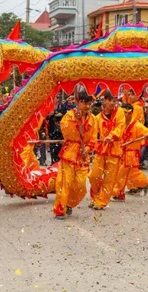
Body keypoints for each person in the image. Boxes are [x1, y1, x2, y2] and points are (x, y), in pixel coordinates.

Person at [53, 91, 97, 219]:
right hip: (69, 153)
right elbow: (66, 132)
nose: (87, 106)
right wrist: (76, 122)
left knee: (81, 186)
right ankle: (60, 209)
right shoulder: (69, 116)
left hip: (83, 156)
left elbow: (93, 138)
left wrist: (87, 149)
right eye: (84, 102)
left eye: (89, 103)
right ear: (78, 102)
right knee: (64, 182)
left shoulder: (93, 119)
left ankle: (69, 203)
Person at [88, 91, 125, 210]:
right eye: (111, 100)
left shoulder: (119, 112)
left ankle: (101, 202)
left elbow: (120, 126)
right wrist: (89, 146)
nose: (113, 103)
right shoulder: (98, 118)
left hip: (115, 149)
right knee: (94, 175)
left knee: (109, 178)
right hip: (101, 149)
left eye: (115, 100)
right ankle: (95, 197)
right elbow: (93, 133)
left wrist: (112, 135)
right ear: (104, 100)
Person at [113, 103, 148, 201]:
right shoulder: (121, 124)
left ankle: (119, 194)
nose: (122, 115)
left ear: (130, 113)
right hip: (122, 152)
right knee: (131, 173)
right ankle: (144, 183)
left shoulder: (137, 126)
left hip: (131, 153)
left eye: (124, 113)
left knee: (122, 174)